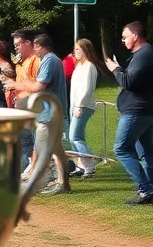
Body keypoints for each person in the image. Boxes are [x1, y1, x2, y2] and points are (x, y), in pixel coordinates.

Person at [105, 22, 153, 206]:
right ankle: (152, 193)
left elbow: (128, 81)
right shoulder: (143, 54)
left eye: (125, 36)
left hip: (137, 111)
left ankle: (146, 189)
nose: (123, 40)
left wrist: (114, 68)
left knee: (121, 149)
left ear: (135, 36)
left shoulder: (144, 54)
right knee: (146, 152)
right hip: (145, 109)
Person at [7, 34, 68, 194]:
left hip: (49, 113)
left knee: (42, 149)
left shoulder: (48, 60)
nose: (34, 49)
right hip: (53, 111)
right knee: (56, 150)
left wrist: (18, 83)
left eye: (36, 46)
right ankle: (63, 183)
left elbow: (38, 87)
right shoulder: (54, 59)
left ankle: (41, 183)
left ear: (43, 46)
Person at [9, 30, 40, 173]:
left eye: (18, 44)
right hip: (24, 105)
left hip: (33, 106)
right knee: (26, 139)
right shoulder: (23, 62)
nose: (16, 48)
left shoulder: (35, 60)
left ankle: (35, 170)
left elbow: (37, 86)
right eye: (14, 45)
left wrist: (15, 85)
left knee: (31, 140)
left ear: (28, 43)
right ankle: (30, 169)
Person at [69, 39, 99, 179]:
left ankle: (89, 166)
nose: (75, 52)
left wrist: (79, 105)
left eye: (78, 50)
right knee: (75, 137)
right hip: (75, 106)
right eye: (75, 49)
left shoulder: (89, 66)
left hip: (84, 105)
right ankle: (80, 165)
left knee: (75, 137)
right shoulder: (79, 66)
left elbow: (87, 88)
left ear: (85, 50)